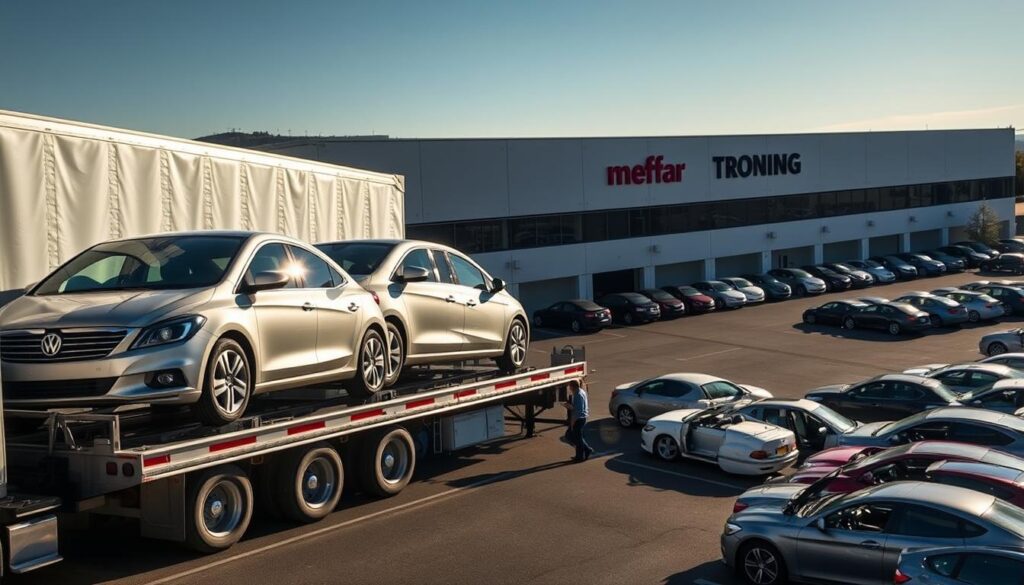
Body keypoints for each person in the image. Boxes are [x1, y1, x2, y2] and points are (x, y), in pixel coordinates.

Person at [567, 379, 593, 462]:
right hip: (582, 417)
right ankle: (584, 452)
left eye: (569, 386)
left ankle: (581, 455)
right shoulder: (581, 391)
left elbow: (577, 410)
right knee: (578, 437)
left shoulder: (577, 394)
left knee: (575, 437)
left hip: (579, 418)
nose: (569, 388)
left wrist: (572, 422)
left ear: (572, 386)